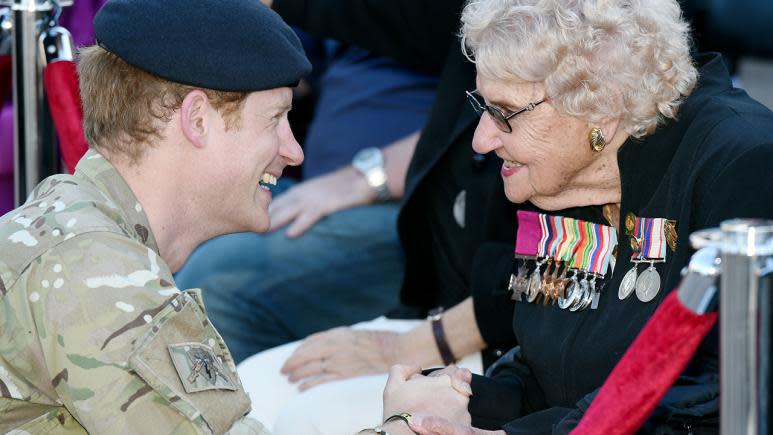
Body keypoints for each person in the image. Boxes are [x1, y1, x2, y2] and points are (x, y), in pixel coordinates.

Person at [400, 0, 773, 433]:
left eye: (504, 113)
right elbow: (548, 377)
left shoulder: (744, 164)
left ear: (601, 110)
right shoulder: (571, 174)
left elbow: (713, 392)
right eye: (481, 105)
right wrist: (457, 401)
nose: (482, 140)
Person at [0, 0, 313, 432]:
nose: (293, 151)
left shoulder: (75, 225)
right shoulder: (96, 273)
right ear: (197, 120)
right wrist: (401, 422)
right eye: (275, 119)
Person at [174, 37, 439, 364]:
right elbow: (287, 62)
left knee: (220, 279)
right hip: (312, 184)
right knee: (180, 224)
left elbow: (475, 118)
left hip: (412, 205)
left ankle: (222, 412)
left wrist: (364, 179)